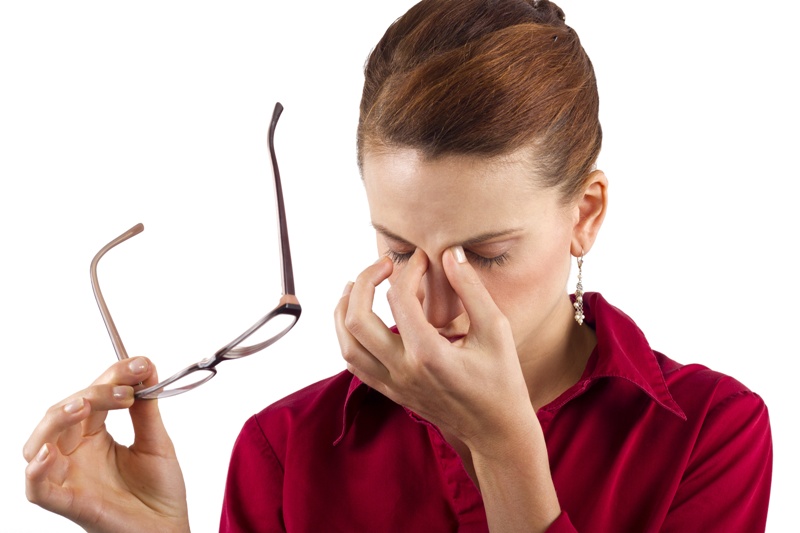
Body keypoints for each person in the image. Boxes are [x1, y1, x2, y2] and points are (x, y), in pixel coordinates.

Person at [24, 0, 772, 531]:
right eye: (398, 248)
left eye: (486, 254)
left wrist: (505, 452)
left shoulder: (712, 432)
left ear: (586, 214)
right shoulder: (286, 450)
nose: (436, 305)